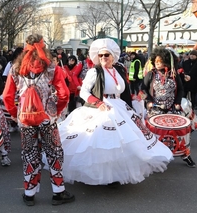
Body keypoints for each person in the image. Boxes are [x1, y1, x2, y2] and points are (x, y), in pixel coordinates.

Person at [58, 38, 173, 185]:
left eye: (106, 55)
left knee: (124, 142)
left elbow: (122, 90)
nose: (103, 58)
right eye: (100, 55)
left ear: (113, 56)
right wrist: (98, 103)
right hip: (101, 106)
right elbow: (84, 92)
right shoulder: (95, 71)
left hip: (119, 106)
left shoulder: (119, 69)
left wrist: (133, 99)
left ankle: (115, 175)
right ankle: (101, 175)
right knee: (103, 143)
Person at [2, 34, 75, 206]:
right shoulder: (51, 67)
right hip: (47, 118)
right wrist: (55, 111)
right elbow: (64, 94)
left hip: (25, 119)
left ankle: (29, 194)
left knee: (29, 153)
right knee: (54, 151)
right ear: (43, 47)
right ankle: (58, 192)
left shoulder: (16, 68)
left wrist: (14, 113)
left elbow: (6, 96)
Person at [142, 47, 195, 168]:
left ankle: (185, 154)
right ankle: (153, 155)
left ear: (166, 61)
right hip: (155, 109)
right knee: (153, 131)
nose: (157, 63)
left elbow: (181, 90)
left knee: (181, 130)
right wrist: (148, 101)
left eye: (160, 61)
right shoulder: (151, 74)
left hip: (172, 108)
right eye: (156, 61)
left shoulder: (174, 74)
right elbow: (143, 89)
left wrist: (177, 102)